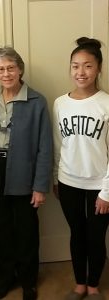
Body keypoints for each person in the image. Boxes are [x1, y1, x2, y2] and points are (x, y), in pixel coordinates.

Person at [0, 46, 53, 300]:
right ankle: (6, 277)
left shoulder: (37, 101)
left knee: (26, 231)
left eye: (11, 67)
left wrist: (40, 185)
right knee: (2, 229)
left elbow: (45, 146)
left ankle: (28, 281)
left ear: (20, 69)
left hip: (24, 173)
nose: (6, 73)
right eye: (1, 69)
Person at [53, 37, 109, 300]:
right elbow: (57, 143)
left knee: (96, 237)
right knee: (77, 233)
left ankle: (94, 284)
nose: (81, 72)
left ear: (98, 68)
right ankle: (79, 284)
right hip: (67, 181)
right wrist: (55, 177)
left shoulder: (106, 103)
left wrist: (107, 192)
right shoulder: (60, 103)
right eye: (75, 66)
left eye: (87, 66)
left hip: (100, 184)